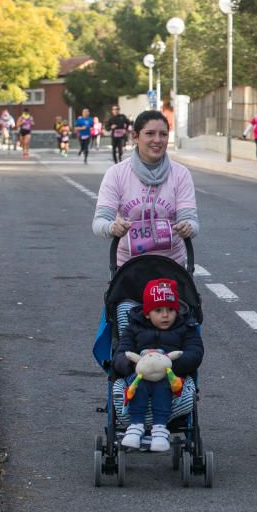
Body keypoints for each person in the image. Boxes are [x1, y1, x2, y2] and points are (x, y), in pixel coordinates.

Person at [92, 110, 199, 268]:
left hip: (172, 266)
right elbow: (99, 222)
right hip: (128, 267)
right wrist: (112, 227)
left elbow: (192, 222)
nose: (157, 140)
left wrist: (187, 227)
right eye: (149, 133)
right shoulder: (116, 173)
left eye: (163, 134)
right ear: (135, 137)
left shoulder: (180, 174)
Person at [113, 278, 204, 452]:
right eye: (158, 310)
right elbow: (121, 352)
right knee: (136, 384)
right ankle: (136, 424)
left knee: (164, 386)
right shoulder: (134, 328)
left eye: (170, 310)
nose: (165, 315)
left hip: (171, 375)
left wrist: (169, 366)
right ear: (147, 313)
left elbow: (195, 353)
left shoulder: (185, 327)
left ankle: (160, 428)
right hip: (139, 373)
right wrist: (133, 366)